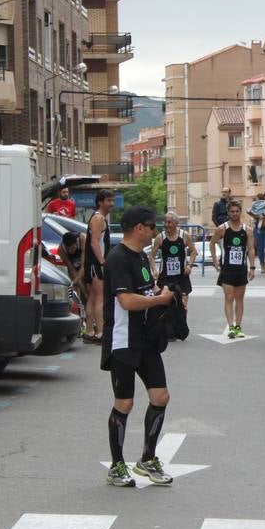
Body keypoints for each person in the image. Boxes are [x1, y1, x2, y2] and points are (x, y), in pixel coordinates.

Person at [100, 206, 177, 487]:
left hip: (145, 339)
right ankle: (117, 466)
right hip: (123, 341)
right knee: (125, 402)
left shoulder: (142, 257)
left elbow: (143, 292)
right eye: (151, 225)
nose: (155, 230)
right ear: (139, 228)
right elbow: (127, 302)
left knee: (160, 397)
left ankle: (147, 459)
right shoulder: (118, 258)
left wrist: (162, 293)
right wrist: (159, 301)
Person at [211, 200, 254, 338]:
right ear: (228, 213)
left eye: (237, 211)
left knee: (239, 299)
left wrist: (252, 267)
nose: (235, 214)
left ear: (240, 212)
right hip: (227, 268)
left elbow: (251, 249)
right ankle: (230, 326)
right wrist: (215, 259)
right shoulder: (222, 228)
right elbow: (212, 243)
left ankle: (238, 326)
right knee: (229, 297)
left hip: (241, 268)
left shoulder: (247, 230)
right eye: (232, 211)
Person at [153, 212, 196, 342]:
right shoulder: (160, 238)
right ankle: (167, 331)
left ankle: (180, 328)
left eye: (170, 222)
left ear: (176, 223)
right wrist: (154, 269)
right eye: (165, 222)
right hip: (165, 276)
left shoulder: (184, 236)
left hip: (181, 276)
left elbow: (194, 251)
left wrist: (189, 265)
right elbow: (151, 256)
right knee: (165, 303)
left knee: (182, 304)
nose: (167, 225)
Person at [82, 190, 115, 344]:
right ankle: (100, 333)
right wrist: (102, 262)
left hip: (92, 263)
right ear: (100, 202)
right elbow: (94, 242)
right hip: (96, 263)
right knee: (100, 298)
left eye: (112, 200)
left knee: (93, 297)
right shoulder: (98, 218)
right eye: (108, 200)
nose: (112, 203)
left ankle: (89, 331)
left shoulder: (99, 218)